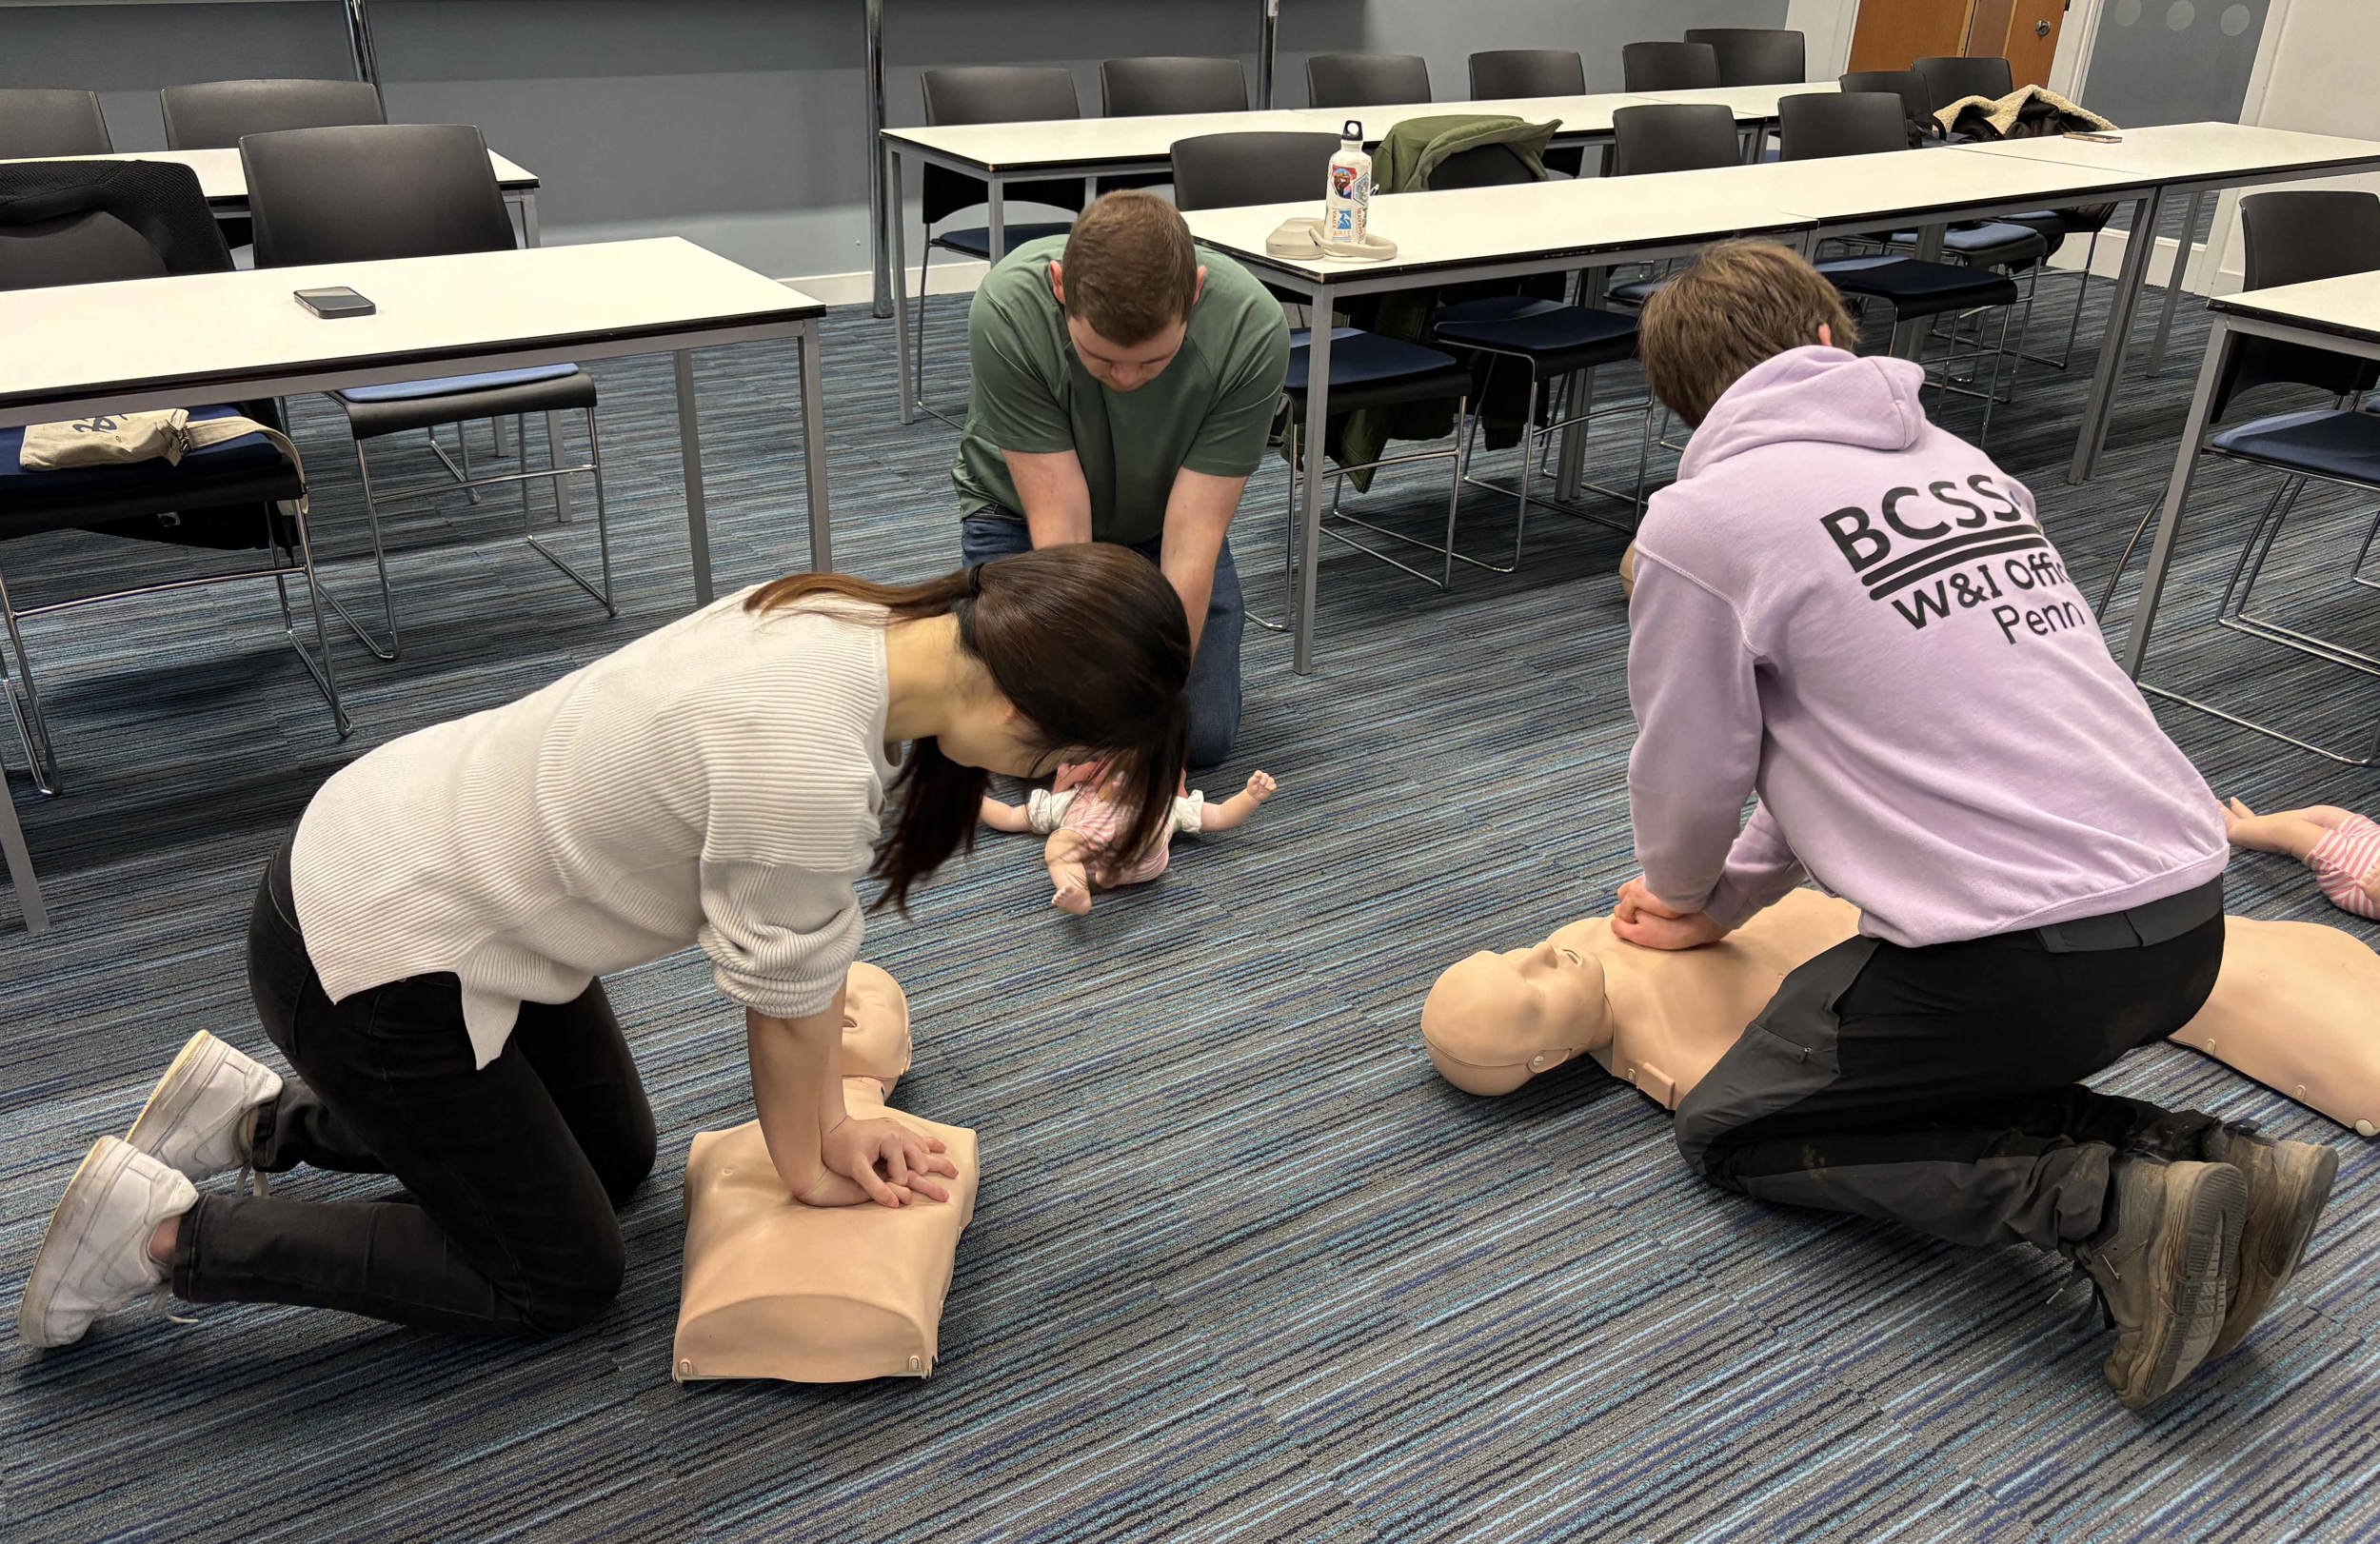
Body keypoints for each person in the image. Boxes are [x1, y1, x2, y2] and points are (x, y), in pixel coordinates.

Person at [18, 546, 1190, 1348]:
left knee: (620, 1159)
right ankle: (166, 1233)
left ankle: (255, 1120)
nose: (1071, 781)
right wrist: (821, 1148)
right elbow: (782, 1007)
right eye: (1078, 758)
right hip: (375, 956)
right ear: (1029, 715)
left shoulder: (857, 613)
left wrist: (830, 1110)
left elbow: (794, 953)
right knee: (558, 1276)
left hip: (414, 855)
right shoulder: (809, 761)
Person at [1610, 241, 2337, 1408]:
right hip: (2187, 920)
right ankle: (2220, 1165)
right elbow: (1850, 744)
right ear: (1834, 339)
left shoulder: (1699, 524)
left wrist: (1687, 897)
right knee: (1923, 1071)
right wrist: (1735, 896)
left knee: (1735, 1127)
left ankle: (2105, 1203)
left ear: (1684, 403)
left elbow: (1695, 767)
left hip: (2013, 963)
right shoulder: (1965, 464)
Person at [953, 189, 1292, 770]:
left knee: (1198, 735)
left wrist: (1145, 713)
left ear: (1195, 294)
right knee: (1017, 739)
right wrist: (1092, 715)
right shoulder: (1009, 309)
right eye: (1101, 357)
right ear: (1061, 287)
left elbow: (1191, 541)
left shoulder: (1252, 331)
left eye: (1153, 362)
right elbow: (1062, 530)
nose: (1128, 378)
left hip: (1165, 525)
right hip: (1024, 520)